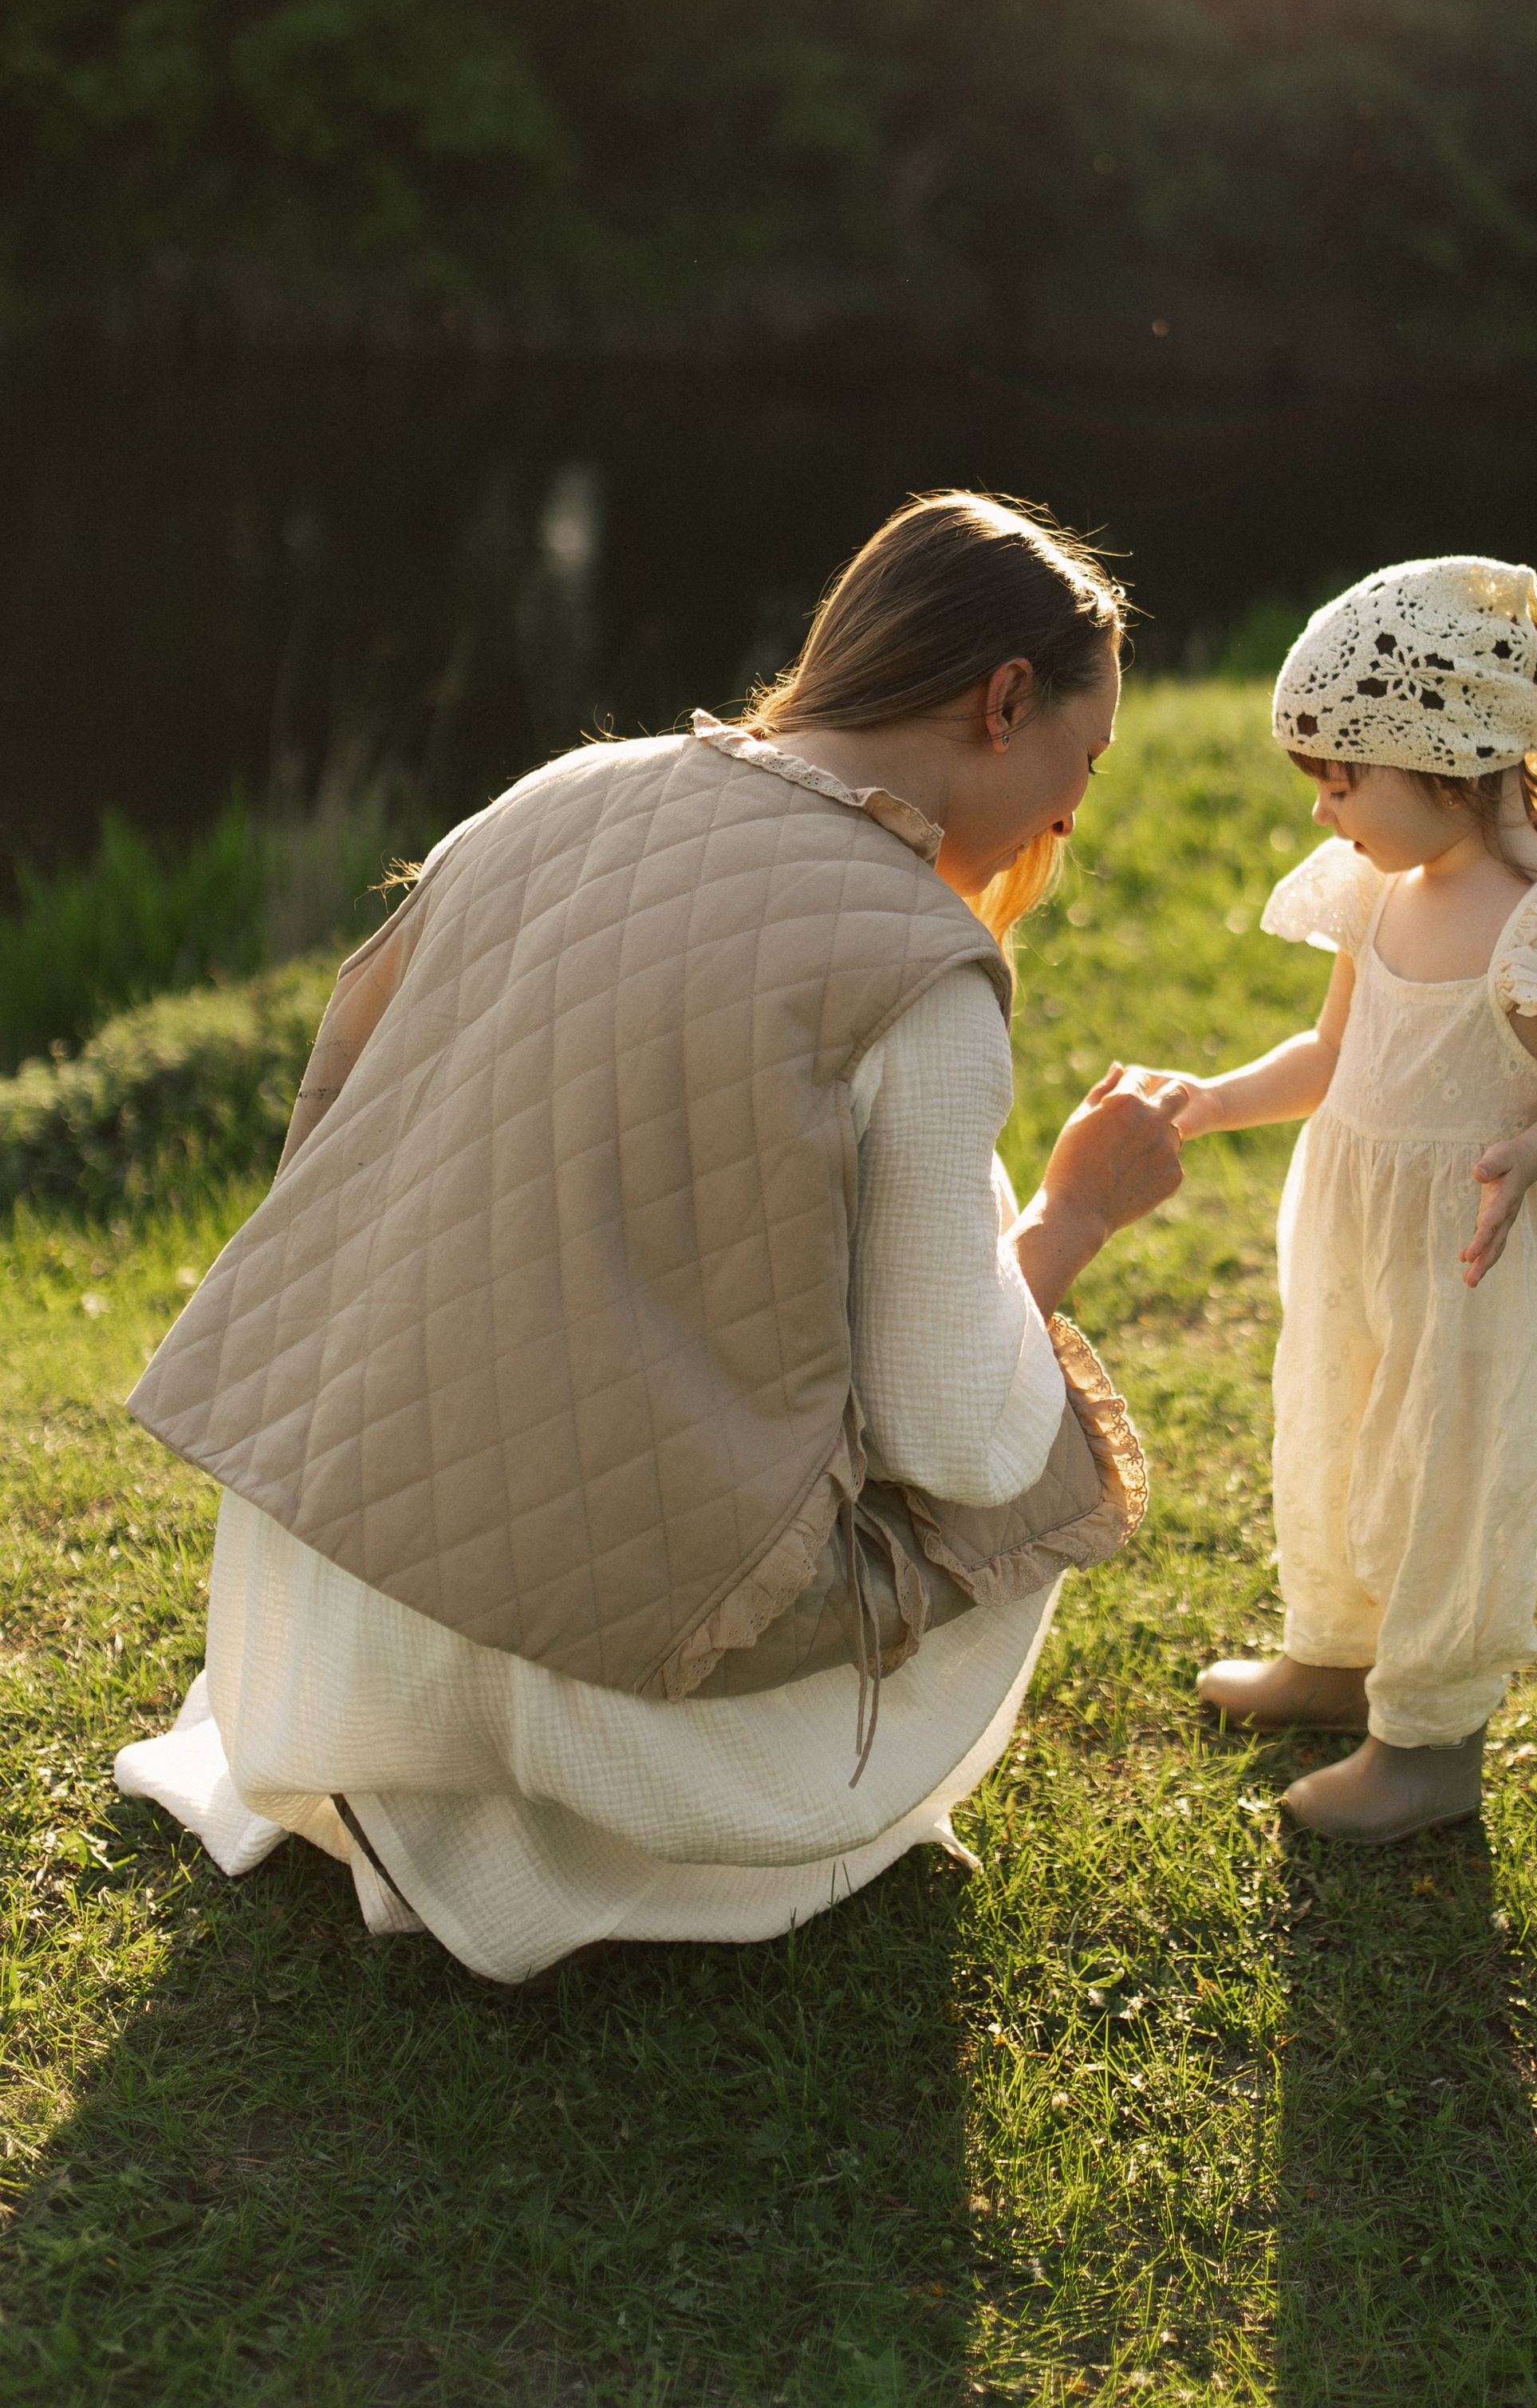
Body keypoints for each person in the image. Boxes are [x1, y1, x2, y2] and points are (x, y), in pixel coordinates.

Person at [116, 493, 1186, 1983]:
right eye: (1089, 757)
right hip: (577, 1690)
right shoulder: (918, 973)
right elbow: (953, 1437)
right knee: (1039, 1435)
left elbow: (336, 1133)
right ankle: (638, 1841)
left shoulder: (553, 793)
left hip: (330, 1591)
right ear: (1005, 700)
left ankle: (408, 1774)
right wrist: (1078, 1214)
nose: (1073, 810)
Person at [1130, 557, 1537, 1846]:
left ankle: (1429, 1746)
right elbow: (1331, 1057)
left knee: (1448, 1480)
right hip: (1356, 1238)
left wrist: (1535, 1151)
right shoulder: (1378, 895)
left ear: (1446, 760)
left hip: (1468, 1256)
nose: (1325, 811)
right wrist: (1215, 1097)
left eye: (1343, 780)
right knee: (1337, 1429)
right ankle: (1336, 1655)